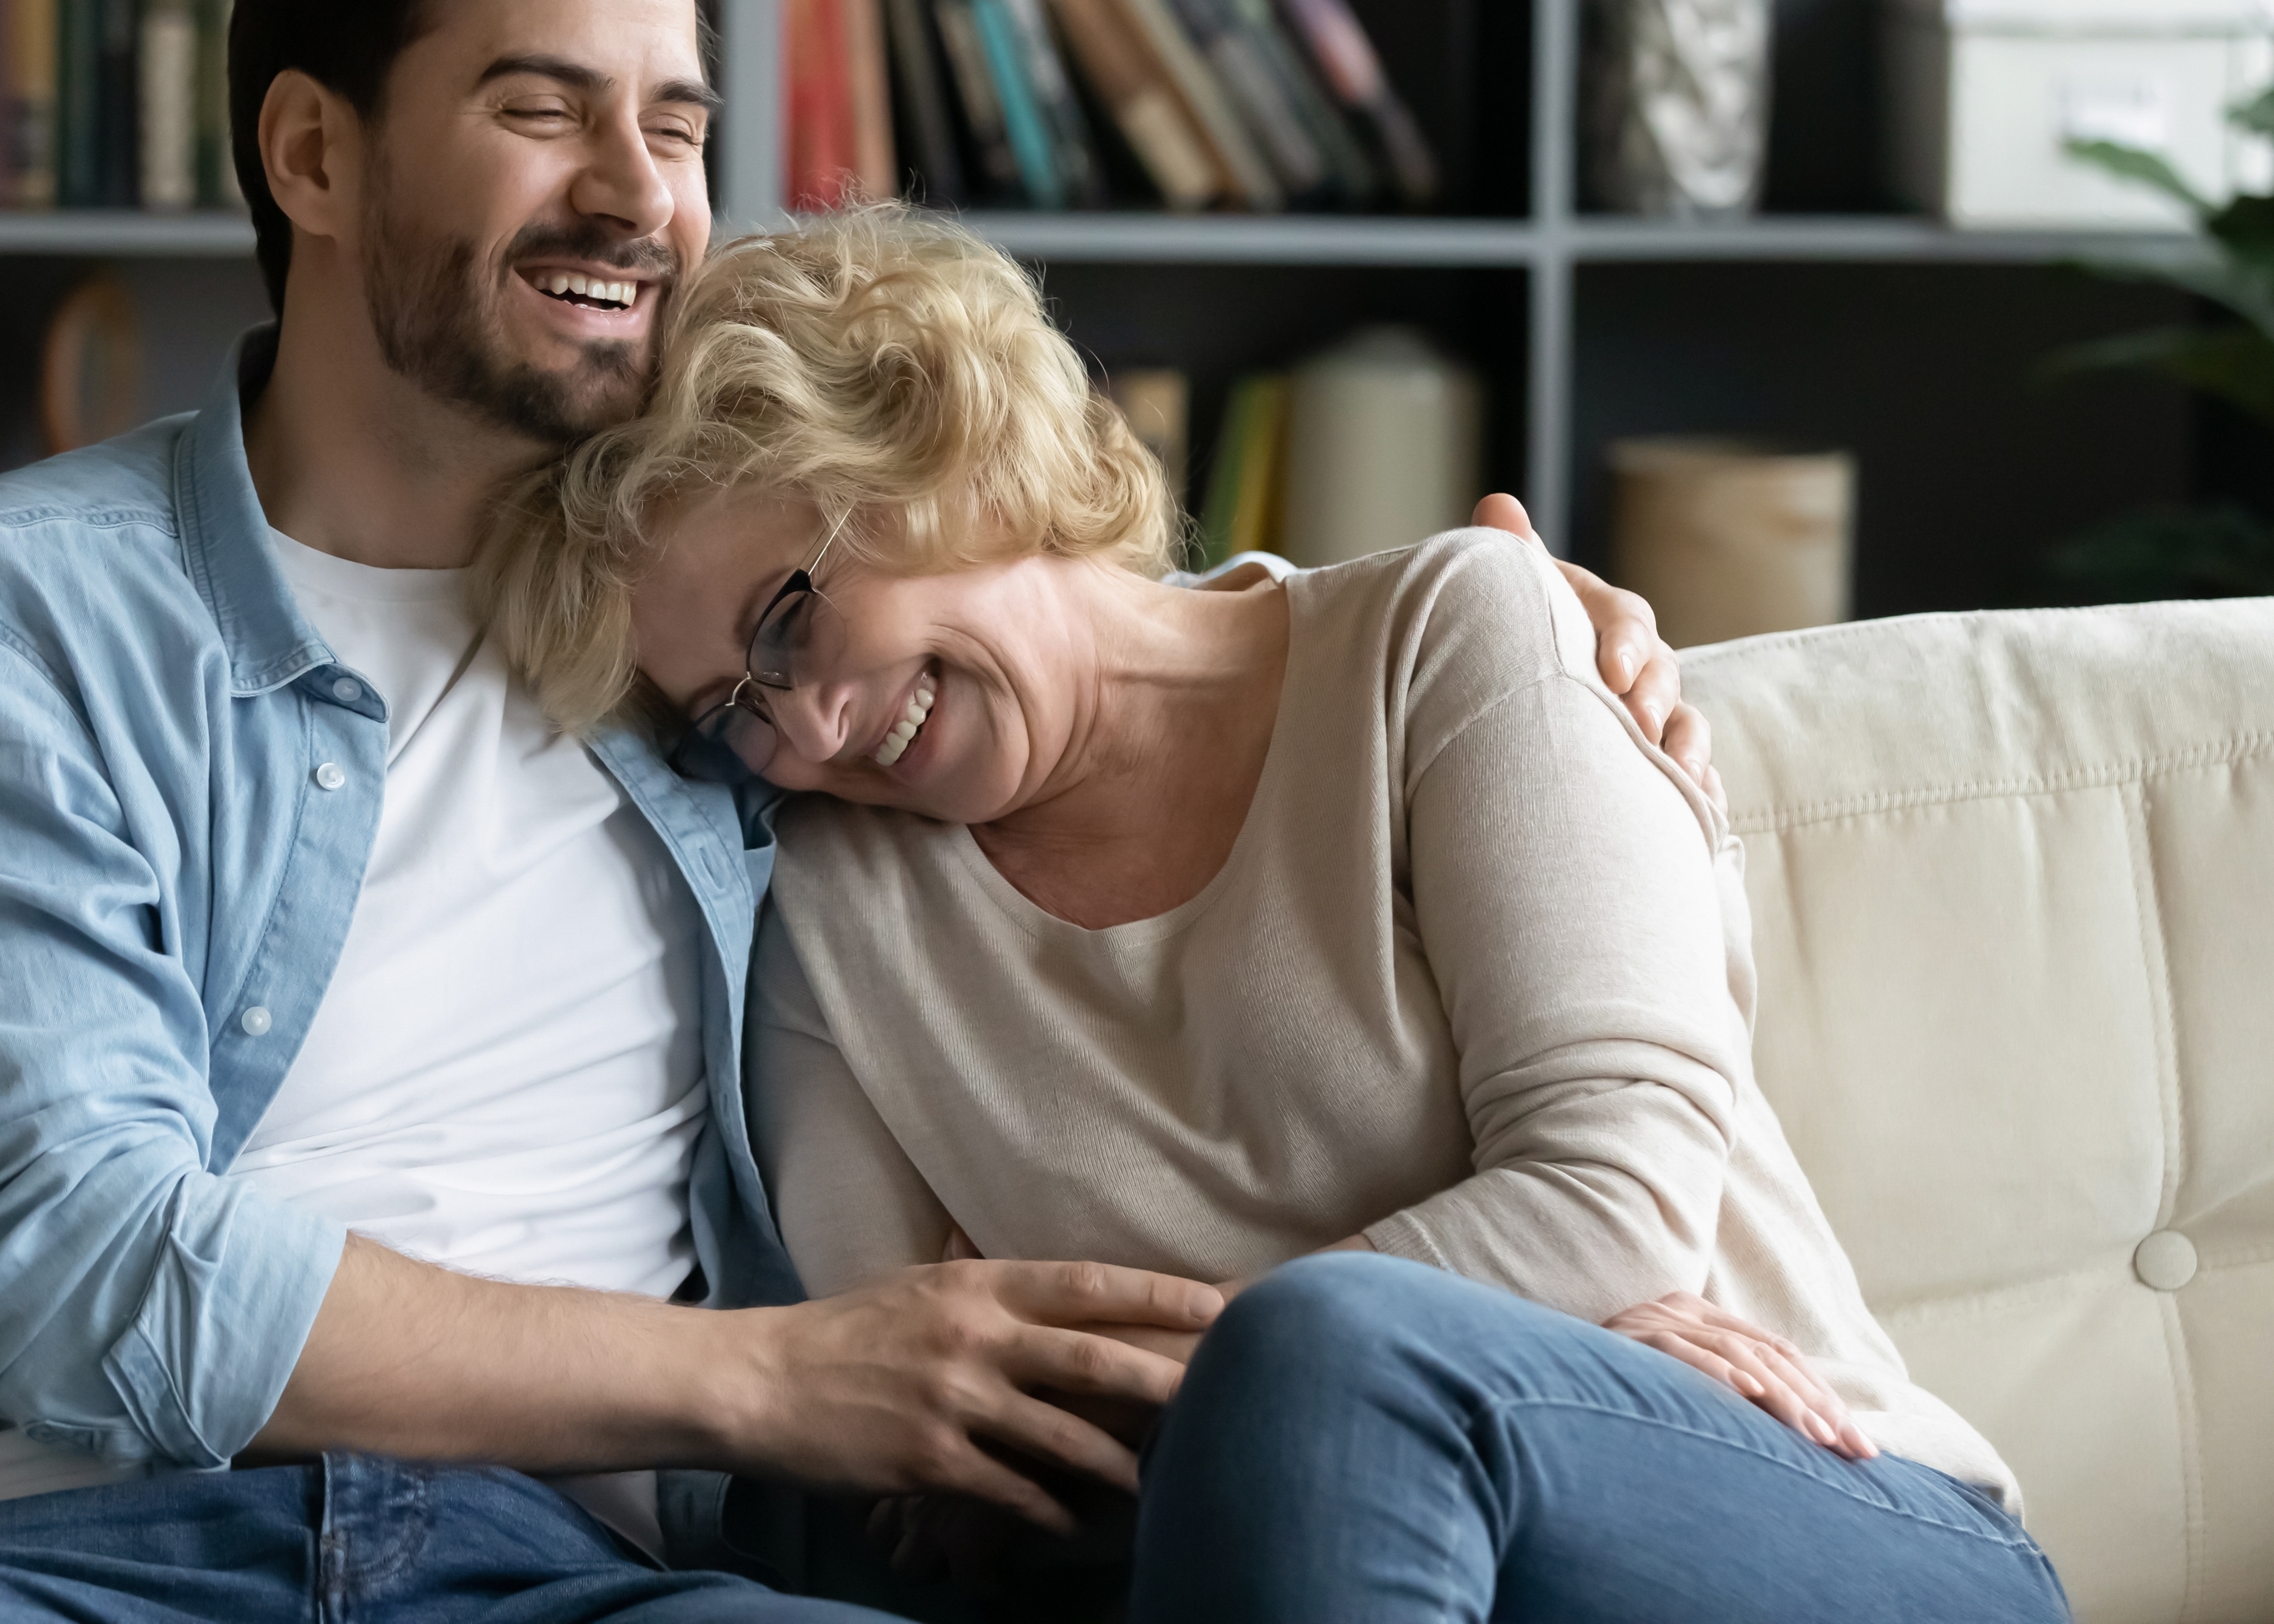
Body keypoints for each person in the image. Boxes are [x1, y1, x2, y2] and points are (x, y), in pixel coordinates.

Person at [0, 0, 1710, 1624]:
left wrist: (1502, 603)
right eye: (538, 106)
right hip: (59, 1550)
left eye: (672, 123)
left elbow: (1068, 628)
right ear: (310, 150)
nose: (637, 193)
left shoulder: (738, 660)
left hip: (570, 1575)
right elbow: (85, 1270)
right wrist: (771, 1380)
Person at [479, 205, 2074, 1624]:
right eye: (730, 714)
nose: (806, 733)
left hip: (1797, 1488)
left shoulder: (1439, 641)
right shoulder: (834, 917)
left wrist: (1364, 1382)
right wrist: (1472, 1338)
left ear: (926, 437)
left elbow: (1617, 1193)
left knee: (1333, 1358)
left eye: (788, 619)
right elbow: (942, 1464)